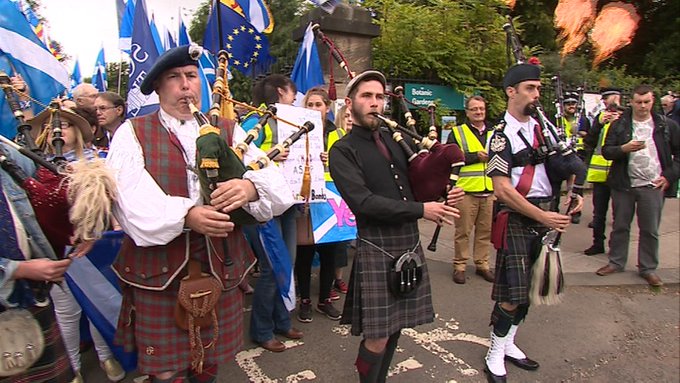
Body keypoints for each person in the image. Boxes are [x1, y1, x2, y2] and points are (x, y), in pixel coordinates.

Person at [105, 44, 283, 383]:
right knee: (168, 369)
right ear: (157, 88)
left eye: (191, 76)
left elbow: (272, 180)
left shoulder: (230, 130)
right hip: (159, 272)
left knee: (209, 357)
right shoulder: (133, 132)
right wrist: (187, 214)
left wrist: (250, 189)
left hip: (222, 265)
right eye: (174, 77)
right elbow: (127, 198)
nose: (186, 85)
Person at [329, 70, 463, 383]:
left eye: (379, 97)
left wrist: (443, 191)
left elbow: (416, 183)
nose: (375, 103)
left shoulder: (392, 138)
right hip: (377, 243)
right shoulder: (342, 150)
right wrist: (422, 209)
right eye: (367, 96)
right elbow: (363, 202)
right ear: (350, 104)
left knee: (395, 327)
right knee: (377, 335)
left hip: (408, 240)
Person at [483, 63, 583, 382]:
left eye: (538, 89)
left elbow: (565, 163)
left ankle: (509, 343)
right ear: (511, 92)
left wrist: (574, 192)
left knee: (531, 288)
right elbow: (501, 189)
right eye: (530, 88)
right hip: (518, 216)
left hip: (547, 214)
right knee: (512, 293)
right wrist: (541, 215)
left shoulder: (545, 128)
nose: (536, 95)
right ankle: (494, 352)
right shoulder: (500, 137)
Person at [28, 105, 126, 383]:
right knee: (67, 312)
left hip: (95, 249)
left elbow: (113, 206)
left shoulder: (99, 164)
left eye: (66, 125)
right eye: (51, 127)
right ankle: (73, 367)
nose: (59, 131)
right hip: (57, 251)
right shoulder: (32, 167)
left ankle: (106, 355)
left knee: (98, 306)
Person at [0, 143, 75, 383]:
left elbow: (48, 193)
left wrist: (83, 222)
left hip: (29, 295)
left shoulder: (6, 152)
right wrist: (18, 269)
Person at [239, 74, 302, 353]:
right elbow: (241, 157)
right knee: (270, 268)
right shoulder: (255, 122)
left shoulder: (291, 122)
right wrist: (272, 155)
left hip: (287, 202)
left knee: (284, 265)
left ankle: (281, 320)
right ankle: (262, 330)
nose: (296, 98)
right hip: (263, 207)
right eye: (293, 93)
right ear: (280, 92)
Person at [595, 84, 680, 287]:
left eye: (647, 102)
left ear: (653, 102)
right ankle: (616, 262)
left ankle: (648, 268)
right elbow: (606, 151)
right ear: (631, 102)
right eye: (639, 102)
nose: (642, 106)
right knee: (620, 226)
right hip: (624, 184)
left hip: (653, 185)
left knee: (650, 229)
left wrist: (668, 176)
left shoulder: (666, 125)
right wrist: (624, 148)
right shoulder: (620, 125)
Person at [295, 87, 345, 323]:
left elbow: (350, 166)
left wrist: (333, 160)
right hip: (306, 199)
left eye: (318, 104)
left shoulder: (338, 133)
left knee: (330, 254)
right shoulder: (295, 131)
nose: (314, 109)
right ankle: (304, 299)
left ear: (327, 107)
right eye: (310, 104)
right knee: (304, 254)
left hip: (331, 200)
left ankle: (324, 300)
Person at [446, 95, 495, 284]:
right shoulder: (457, 132)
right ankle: (460, 265)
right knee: (463, 231)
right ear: (467, 112)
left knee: (485, 232)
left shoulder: (495, 132)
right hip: (466, 191)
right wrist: (474, 156)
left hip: (489, 190)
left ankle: (482, 264)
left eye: (481, 108)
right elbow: (450, 158)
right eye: (474, 109)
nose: (478, 112)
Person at [582, 89, 624, 255]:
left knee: (619, 214)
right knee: (598, 214)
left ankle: (616, 248)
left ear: (618, 98)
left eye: (608, 98)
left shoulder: (626, 117)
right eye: (604, 99)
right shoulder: (599, 117)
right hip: (600, 175)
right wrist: (598, 124)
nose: (605, 101)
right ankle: (597, 244)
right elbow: (589, 142)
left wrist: (618, 123)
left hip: (618, 173)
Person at [551, 91, 591, 224]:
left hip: (577, 153)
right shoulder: (557, 118)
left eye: (573, 103)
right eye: (567, 104)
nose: (571, 106)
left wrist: (578, 132)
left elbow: (588, 135)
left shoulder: (582, 119)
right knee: (554, 184)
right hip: (560, 153)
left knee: (575, 186)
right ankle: (554, 209)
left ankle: (575, 211)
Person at [332, 103, 353, 294]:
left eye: (351, 116)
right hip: (336, 195)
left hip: (354, 195)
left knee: (345, 241)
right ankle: (333, 279)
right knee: (336, 240)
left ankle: (338, 278)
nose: (349, 119)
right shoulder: (334, 136)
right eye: (346, 116)